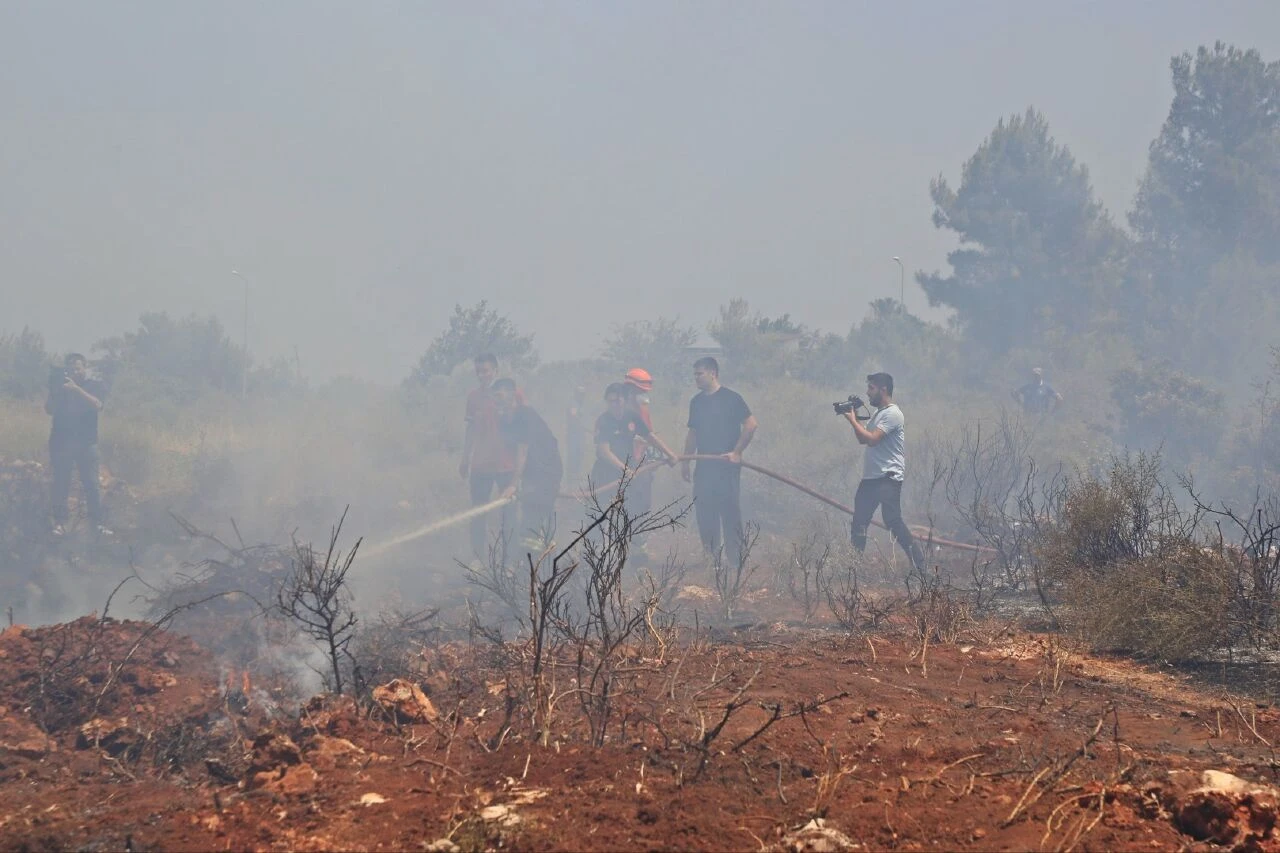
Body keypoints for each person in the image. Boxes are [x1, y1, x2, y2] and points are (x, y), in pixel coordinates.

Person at [842, 372, 925, 576]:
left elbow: (872, 439)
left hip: (887, 478)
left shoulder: (892, 414)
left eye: (871, 388)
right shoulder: (878, 414)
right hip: (871, 478)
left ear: (883, 389)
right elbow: (863, 439)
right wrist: (855, 418)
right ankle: (853, 571)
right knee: (859, 522)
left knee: (893, 521)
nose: (867, 392)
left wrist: (853, 420)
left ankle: (921, 567)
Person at [681, 357, 757, 567]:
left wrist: (737, 452)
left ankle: (736, 561)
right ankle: (712, 559)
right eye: (695, 374)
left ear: (713, 373)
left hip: (727, 466)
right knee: (705, 512)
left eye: (700, 373)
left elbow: (751, 424)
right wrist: (686, 461)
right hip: (704, 466)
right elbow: (693, 433)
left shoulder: (732, 398)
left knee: (730, 511)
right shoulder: (696, 402)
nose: (696, 377)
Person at [45, 353, 111, 536]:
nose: (75, 371)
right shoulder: (61, 387)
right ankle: (59, 523)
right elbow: (49, 409)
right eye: (71, 369)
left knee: (91, 483)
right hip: (61, 443)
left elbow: (98, 405)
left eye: (78, 368)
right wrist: (55, 390)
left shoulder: (94, 385)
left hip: (87, 443)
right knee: (61, 484)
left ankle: (97, 524)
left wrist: (76, 389)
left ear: (85, 367)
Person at [459, 354, 517, 560]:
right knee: (478, 513)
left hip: (506, 464)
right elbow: (471, 429)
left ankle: (508, 561)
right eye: (479, 371)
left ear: (495, 371)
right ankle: (477, 559)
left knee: (509, 515)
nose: (483, 375)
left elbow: (523, 428)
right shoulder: (474, 397)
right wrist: (465, 458)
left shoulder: (512, 393)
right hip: (481, 465)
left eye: (486, 370)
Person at [493, 379, 563, 547]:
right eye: (495, 396)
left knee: (535, 522)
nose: (497, 400)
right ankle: (530, 562)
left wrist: (512, 485)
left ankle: (543, 564)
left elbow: (522, 454)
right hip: (531, 473)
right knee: (530, 521)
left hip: (546, 472)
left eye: (500, 395)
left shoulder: (525, 416)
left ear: (512, 395)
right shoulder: (504, 421)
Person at [591, 382, 679, 506]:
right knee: (604, 511)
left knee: (632, 509)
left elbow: (649, 436)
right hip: (607, 473)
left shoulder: (632, 416)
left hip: (629, 470)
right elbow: (604, 451)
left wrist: (670, 454)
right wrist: (625, 469)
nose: (614, 405)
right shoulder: (604, 421)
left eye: (617, 401)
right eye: (610, 401)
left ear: (625, 400)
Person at [564, 385, 589, 481]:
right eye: (580, 394)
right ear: (576, 394)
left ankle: (576, 474)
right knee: (573, 453)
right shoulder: (573, 403)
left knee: (580, 452)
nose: (582, 396)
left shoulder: (580, 404)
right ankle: (571, 475)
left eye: (583, 394)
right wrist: (581, 426)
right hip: (573, 434)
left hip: (579, 434)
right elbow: (573, 415)